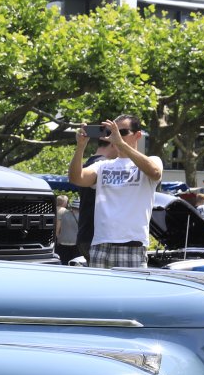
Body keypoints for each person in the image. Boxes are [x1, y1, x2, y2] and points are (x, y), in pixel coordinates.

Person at [69, 115, 163, 268]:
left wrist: (121, 144)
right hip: (100, 244)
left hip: (132, 245)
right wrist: (80, 147)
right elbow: (76, 178)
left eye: (122, 132)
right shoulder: (103, 165)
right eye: (112, 131)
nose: (116, 135)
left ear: (138, 135)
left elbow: (155, 172)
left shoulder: (152, 160)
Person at [54, 192, 82, 265]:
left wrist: (59, 238)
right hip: (76, 244)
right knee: (74, 264)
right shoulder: (82, 217)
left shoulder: (63, 214)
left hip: (62, 243)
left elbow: (57, 229)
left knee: (63, 263)